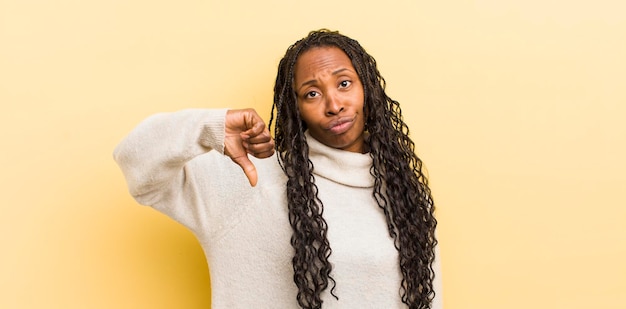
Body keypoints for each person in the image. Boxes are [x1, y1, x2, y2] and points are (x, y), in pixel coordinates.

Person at [114, 29, 441, 309]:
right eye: (312, 93)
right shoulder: (251, 178)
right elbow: (135, 160)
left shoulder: (404, 194)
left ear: (367, 87)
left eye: (344, 83)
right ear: (295, 108)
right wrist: (208, 128)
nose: (334, 104)